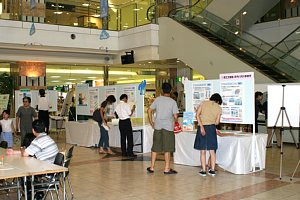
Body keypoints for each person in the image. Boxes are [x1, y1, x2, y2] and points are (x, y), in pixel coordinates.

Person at [147, 82, 179, 174]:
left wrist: (151, 122)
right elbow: (176, 116)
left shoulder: (157, 100)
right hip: (168, 127)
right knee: (167, 149)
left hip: (158, 126)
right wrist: (174, 120)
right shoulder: (172, 102)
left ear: (162, 90)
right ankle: (167, 168)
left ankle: (152, 167)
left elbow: (149, 110)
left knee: (155, 148)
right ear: (171, 91)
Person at [194, 93, 222, 177]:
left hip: (202, 127)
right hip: (211, 128)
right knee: (212, 151)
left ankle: (203, 170)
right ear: (218, 101)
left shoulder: (203, 103)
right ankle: (212, 170)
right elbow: (217, 122)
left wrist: (202, 127)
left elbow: (197, 115)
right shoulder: (218, 108)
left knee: (203, 151)